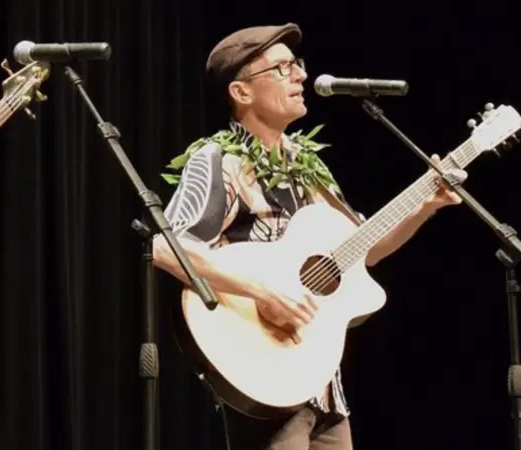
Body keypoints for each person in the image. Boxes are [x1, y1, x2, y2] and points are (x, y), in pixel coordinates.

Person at [153, 23, 467, 449]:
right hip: (263, 369)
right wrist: (263, 290)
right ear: (241, 92)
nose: (299, 75)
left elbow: (365, 250)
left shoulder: (305, 164)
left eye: (296, 65)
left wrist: (425, 206)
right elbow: (167, 247)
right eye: (281, 69)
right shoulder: (219, 160)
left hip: (320, 380)